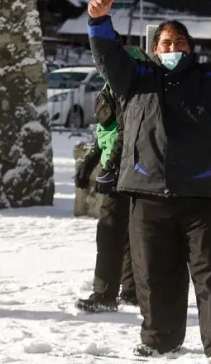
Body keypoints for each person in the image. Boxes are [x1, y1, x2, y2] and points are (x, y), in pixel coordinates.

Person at [87, 0, 211, 364]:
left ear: (190, 48)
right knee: (153, 276)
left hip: (201, 196)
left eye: (180, 43)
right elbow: (109, 58)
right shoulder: (137, 77)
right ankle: (159, 339)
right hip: (148, 196)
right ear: (154, 49)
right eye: (166, 43)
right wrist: (99, 23)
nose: (173, 48)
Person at [74, 45, 149, 314]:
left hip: (130, 170)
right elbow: (107, 132)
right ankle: (131, 291)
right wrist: (89, 163)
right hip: (123, 169)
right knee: (127, 232)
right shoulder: (112, 87)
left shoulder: (134, 89)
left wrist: (112, 167)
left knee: (109, 232)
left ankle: (105, 294)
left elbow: (128, 132)